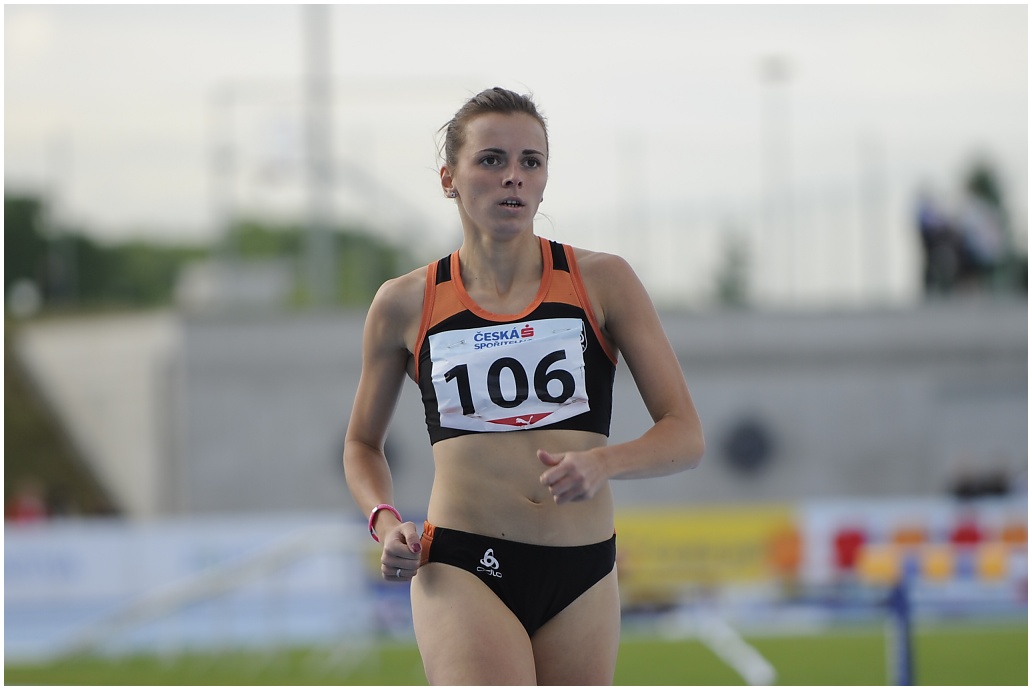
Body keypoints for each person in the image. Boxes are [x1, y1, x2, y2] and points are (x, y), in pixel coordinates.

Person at [343, 87, 704, 685]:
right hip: (462, 564)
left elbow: (685, 436)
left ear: (543, 179)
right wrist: (385, 521)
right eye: (491, 160)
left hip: (582, 570)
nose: (513, 176)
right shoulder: (405, 302)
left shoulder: (602, 281)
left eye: (530, 162)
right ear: (449, 179)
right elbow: (361, 444)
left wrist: (603, 463)